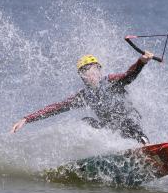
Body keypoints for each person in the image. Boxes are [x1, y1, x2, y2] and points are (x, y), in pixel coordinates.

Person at [11, 51, 155, 144]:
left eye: (92, 69)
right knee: (86, 122)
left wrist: (141, 62)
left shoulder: (111, 81)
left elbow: (128, 76)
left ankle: (146, 145)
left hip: (129, 122)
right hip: (111, 128)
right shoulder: (84, 96)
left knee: (128, 123)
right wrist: (27, 119)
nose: (89, 74)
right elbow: (56, 108)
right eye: (84, 72)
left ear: (99, 69)